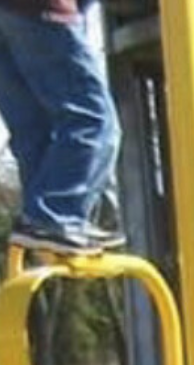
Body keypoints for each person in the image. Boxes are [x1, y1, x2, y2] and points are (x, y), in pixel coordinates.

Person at [0, 0, 122, 255]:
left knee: (34, 127)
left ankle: (41, 222)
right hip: (42, 9)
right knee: (93, 120)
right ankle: (55, 214)